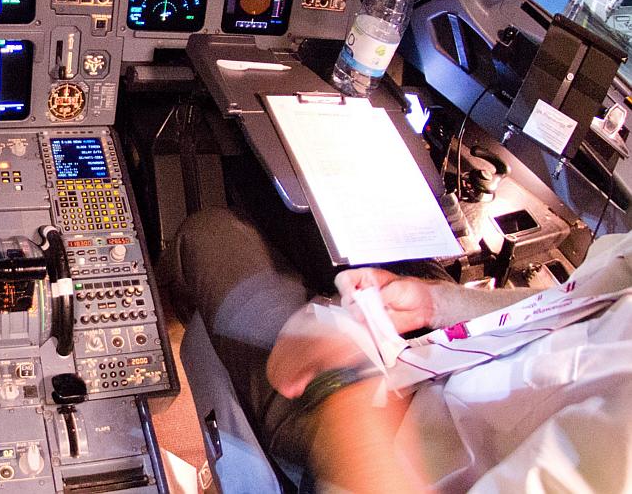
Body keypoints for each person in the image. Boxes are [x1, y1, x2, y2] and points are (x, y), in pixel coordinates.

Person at [171, 206, 632, 492]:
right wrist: (434, 301)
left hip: (373, 455)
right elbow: (571, 301)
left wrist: (340, 382)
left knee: (211, 235)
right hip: (426, 370)